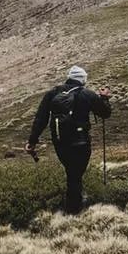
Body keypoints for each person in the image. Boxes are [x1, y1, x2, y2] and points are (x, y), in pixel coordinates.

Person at [25, 65, 112, 214]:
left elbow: (41, 119)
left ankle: (73, 205)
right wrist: (104, 98)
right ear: (83, 80)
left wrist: (32, 142)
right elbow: (105, 113)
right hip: (81, 142)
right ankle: (73, 210)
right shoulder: (87, 94)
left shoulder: (52, 93)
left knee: (72, 172)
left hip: (60, 142)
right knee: (75, 174)